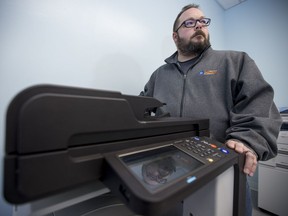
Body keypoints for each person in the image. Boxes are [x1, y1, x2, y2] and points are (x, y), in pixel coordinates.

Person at [140, 4, 282, 216]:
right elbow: (143, 109)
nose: (199, 25)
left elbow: (258, 104)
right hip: (169, 173)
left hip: (222, 170)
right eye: (189, 22)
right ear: (175, 36)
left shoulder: (235, 61)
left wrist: (247, 140)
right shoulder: (158, 75)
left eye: (203, 21)